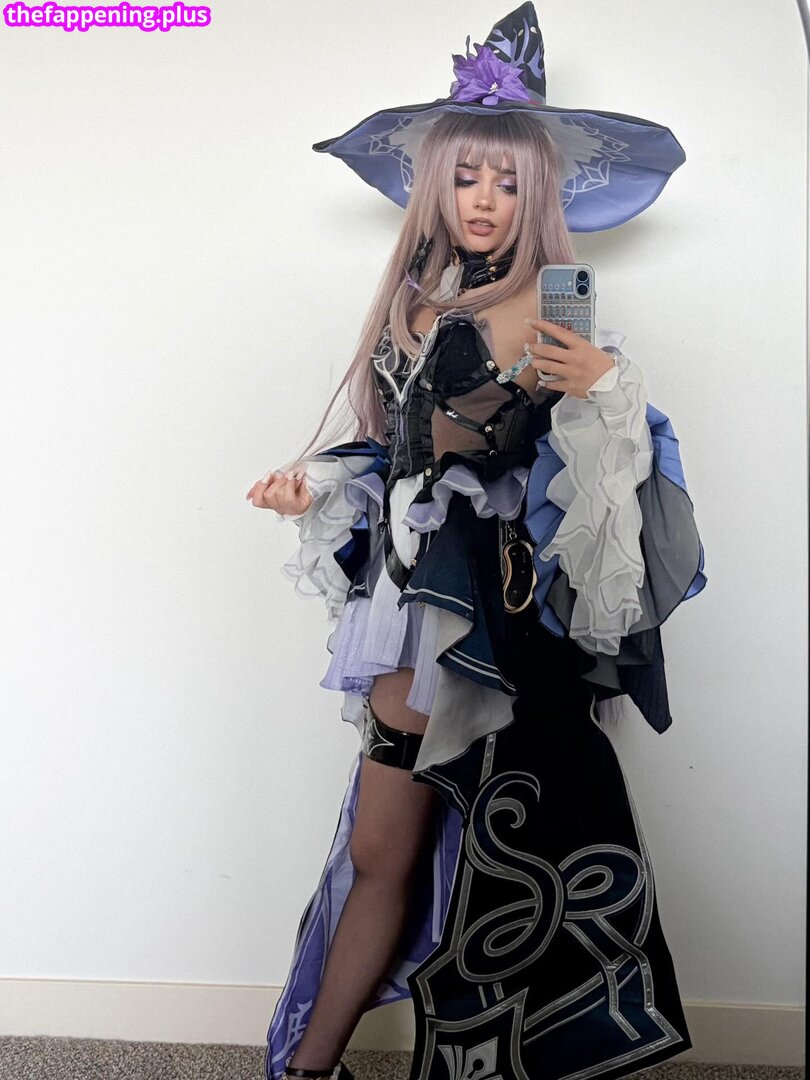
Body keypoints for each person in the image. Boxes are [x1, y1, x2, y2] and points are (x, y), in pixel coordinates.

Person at [247, 6, 706, 1080]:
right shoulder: (415, 300)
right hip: (411, 609)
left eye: (507, 181)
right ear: (436, 188)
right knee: (383, 852)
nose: (485, 199)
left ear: (537, 191)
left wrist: (609, 392)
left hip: (497, 624)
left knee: (501, 865)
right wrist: (312, 484)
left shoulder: (551, 303)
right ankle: (308, 1068)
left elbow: (584, 470)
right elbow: (392, 455)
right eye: (466, 178)